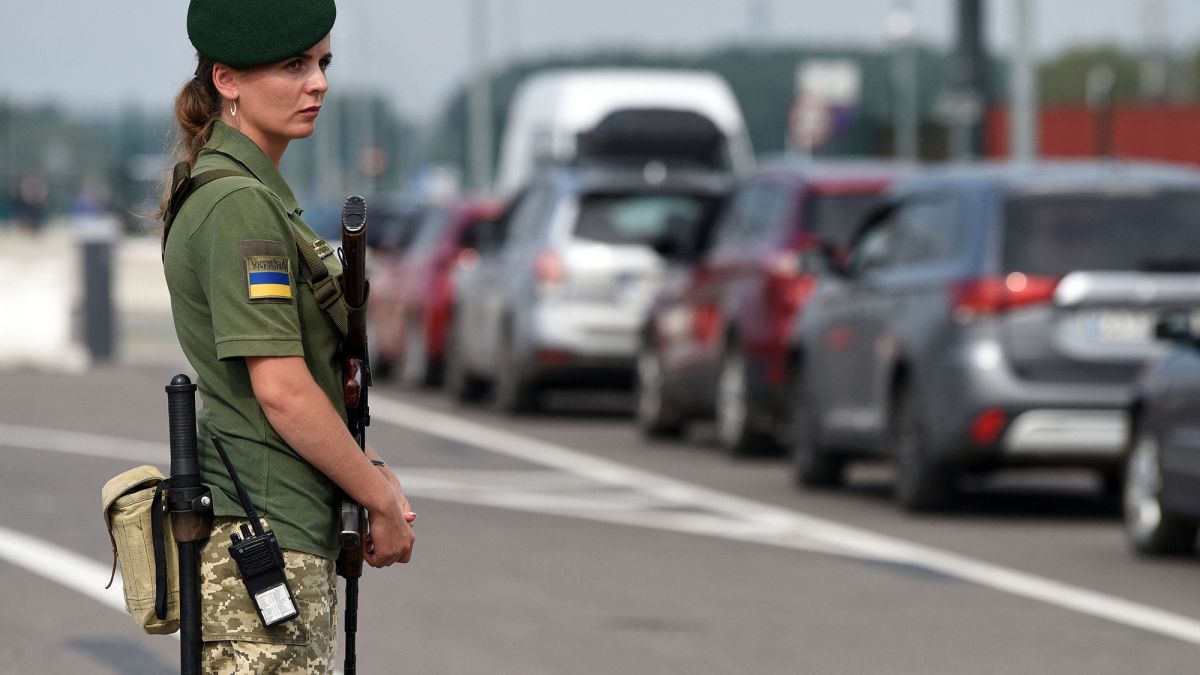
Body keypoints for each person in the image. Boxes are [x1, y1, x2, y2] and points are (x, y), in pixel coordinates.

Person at [159, 1, 415, 671]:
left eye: (322, 63)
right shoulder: (241, 203)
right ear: (227, 80)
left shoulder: (246, 191)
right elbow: (281, 391)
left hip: (273, 533)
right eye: (293, 65)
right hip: (267, 540)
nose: (319, 83)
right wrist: (376, 493)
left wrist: (369, 472)